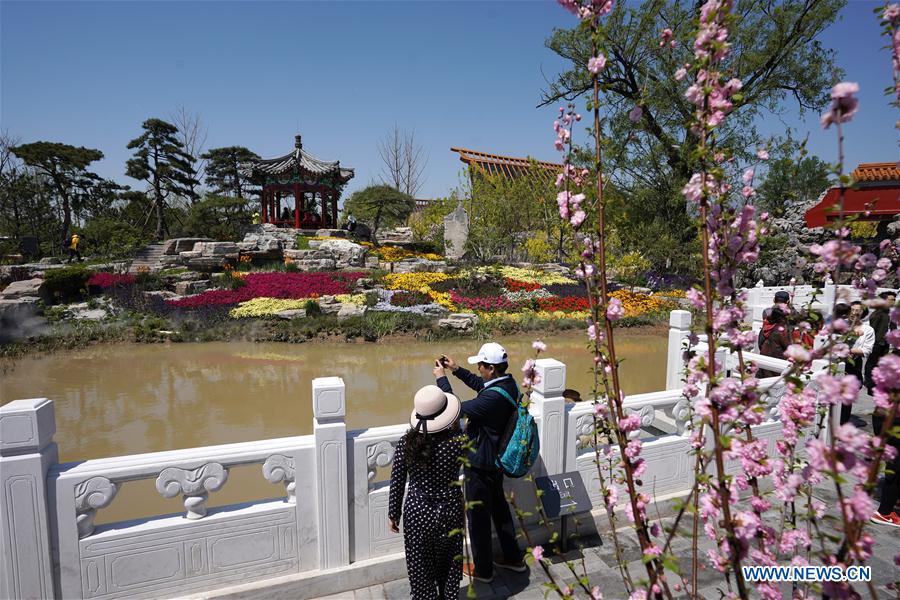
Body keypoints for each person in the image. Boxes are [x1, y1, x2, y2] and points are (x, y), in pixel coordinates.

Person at [434, 342, 526, 583]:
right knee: (500, 510)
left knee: (478, 518)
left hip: (481, 463)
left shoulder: (491, 399)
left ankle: (483, 570)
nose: (479, 369)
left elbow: (454, 410)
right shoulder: (508, 384)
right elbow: (481, 386)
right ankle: (513, 558)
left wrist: (442, 380)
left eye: (481, 366)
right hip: (497, 459)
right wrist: (457, 370)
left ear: (491, 368)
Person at [389, 385, 465, 599]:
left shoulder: (406, 443)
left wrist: (394, 514)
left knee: (420, 565)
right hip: (450, 510)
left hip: (417, 511)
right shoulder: (458, 442)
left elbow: (397, 480)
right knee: (449, 563)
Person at [835, 302, 875, 425]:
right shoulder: (840, 324)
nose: (854, 313)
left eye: (858, 310)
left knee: (846, 398)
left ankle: (842, 424)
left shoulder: (868, 330)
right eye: (852, 310)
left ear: (863, 313)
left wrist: (849, 351)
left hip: (852, 365)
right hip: (835, 364)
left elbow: (866, 350)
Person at [865, 291, 897, 394]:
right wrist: (872, 342)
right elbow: (872, 329)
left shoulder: (890, 314)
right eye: (891, 300)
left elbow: (893, 329)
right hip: (876, 343)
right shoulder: (878, 313)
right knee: (872, 364)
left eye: (894, 300)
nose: (893, 302)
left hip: (885, 344)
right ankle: (870, 386)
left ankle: (878, 385)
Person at [757, 307, 790, 377]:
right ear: (781, 319)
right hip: (775, 362)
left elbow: (760, 344)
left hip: (763, 359)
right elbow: (788, 347)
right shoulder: (780, 332)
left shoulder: (764, 328)